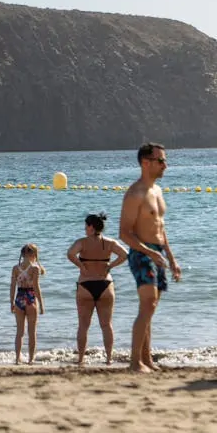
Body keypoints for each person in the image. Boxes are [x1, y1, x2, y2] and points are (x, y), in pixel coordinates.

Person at [119, 143, 181, 373]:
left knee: (150, 308)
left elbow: (160, 229)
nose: (166, 165)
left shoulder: (157, 191)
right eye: (161, 161)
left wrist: (171, 259)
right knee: (147, 305)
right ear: (146, 163)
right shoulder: (135, 194)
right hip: (141, 253)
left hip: (157, 252)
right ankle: (134, 362)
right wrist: (149, 252)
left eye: (164, 160)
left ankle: (147, 359)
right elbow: (124, 232)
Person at [67, 213, 128, 366]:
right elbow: (125, 254)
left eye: (86, 225)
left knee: (83, 325)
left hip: (85, 285)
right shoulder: (109, 243)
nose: (84, 228)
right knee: (106, 325)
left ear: (91, 227)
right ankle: (108, 359)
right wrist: (110, 266)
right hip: (105, 284)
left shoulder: (82, 242)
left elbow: (70, 254)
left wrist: (81, 266)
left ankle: (81, 359)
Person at [9, 243, 45, 364]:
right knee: (32, 332)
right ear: (33, 254)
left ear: (22, 254)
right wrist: (41, 304)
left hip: (19, 298)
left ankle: (17, 358)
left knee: (19, 332)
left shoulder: (15, 268)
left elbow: (12, 286)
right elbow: (36, 287)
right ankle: (31, 359)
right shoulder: (35, 268)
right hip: (30, 299)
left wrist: (11, 302)